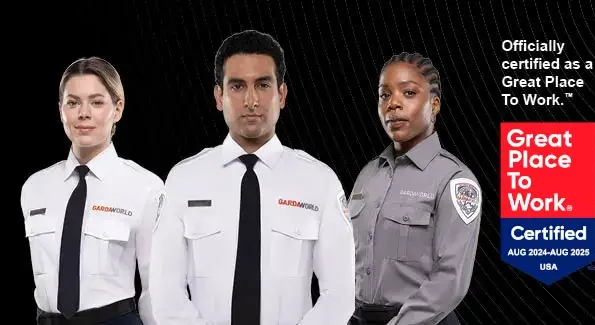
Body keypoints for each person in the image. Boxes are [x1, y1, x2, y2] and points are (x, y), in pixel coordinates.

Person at [149, 29, 355, 325]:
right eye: (236, 86)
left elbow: (341, 292)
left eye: (262, 85)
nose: (251, 101)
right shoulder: (183, 180)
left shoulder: (319, 181)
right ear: (219, 96)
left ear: (281, 94)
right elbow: (164, 291)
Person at [20, 57, 163, 325]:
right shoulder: (35, 188)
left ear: (117, 109)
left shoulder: (146, 187)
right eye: (73, 103)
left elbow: (154, 287)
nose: (83, 113)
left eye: (97, 102)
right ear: (61, 109)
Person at [348, 52, 482, 325]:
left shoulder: (454, 180)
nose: (393, 104)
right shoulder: (367, 175)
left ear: (434, 105)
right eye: (384, 95)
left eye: (408, 93)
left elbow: (450, 280)